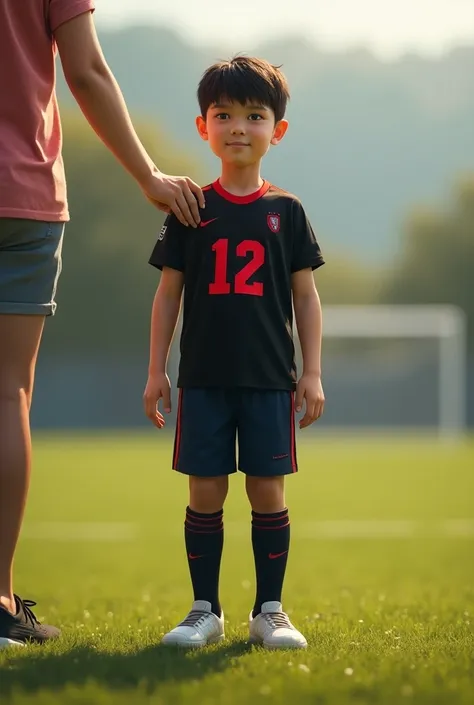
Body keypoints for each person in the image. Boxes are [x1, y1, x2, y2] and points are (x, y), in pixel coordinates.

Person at [0, 0, 204, 648]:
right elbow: (84, 69)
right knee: (7, 394)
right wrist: (147, 175)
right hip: (24, 196)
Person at [144, 56, 325, 650]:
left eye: (255, 115)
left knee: (267, 491)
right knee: (205, 491)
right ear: (204, 126)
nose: (239, 127)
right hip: (202, 378)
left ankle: (269, 611)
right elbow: (167, 295)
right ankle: (204, 610)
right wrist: (155, 373)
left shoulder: (288, 212)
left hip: (270, 379)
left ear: (278, 129)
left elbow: (307, 296)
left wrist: (313, 374)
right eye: (224, 115)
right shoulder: (189, 208)